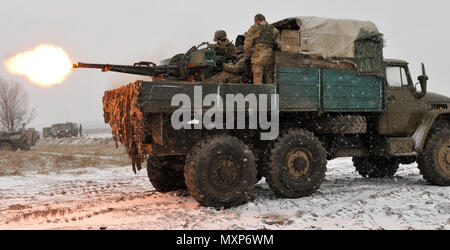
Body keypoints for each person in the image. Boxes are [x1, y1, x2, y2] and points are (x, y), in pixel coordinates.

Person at [244, 14, 280, 84]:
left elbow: (247, 45)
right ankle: (270, 94)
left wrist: (247, 57)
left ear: (256, 20)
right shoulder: (274, 30)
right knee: (269, 79)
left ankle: (258, 93)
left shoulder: (254, 28)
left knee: (258, 78)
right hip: (270, 58)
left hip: (257, 58)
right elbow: (278, 45)